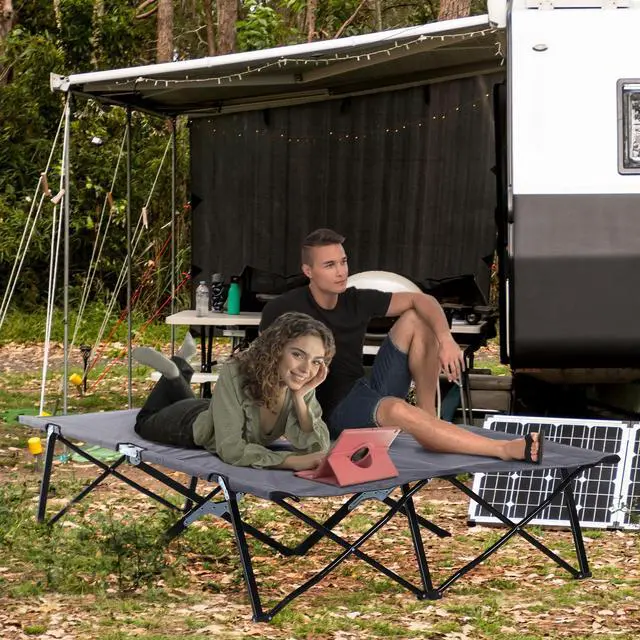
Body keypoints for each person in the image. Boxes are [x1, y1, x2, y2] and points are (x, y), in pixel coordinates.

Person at [260, 229, 543, 463]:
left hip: (361, 391)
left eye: (343, 262)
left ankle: (429, 419)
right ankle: (503, 449)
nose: (341, 272)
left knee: (417, 318)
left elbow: (423, 300)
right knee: (395, 409)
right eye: (329, 265)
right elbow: (264, 367)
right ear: (308, 271)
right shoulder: (283, 308)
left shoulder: (355, 299)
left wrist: (446, 340)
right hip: (328, 414)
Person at [132, 312, 335, 470]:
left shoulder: (298, 382)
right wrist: (290, 461)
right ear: (277, 349)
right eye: (298, 355)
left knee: (201, 407)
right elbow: (231, 450)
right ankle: (174, 371)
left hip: (216, 410)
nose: (306, 369)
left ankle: (179, 367)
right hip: (187, 424)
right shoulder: (237, 371)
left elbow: (318, 448)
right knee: (144, 422)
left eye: (317, 361)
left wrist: (299, 398)